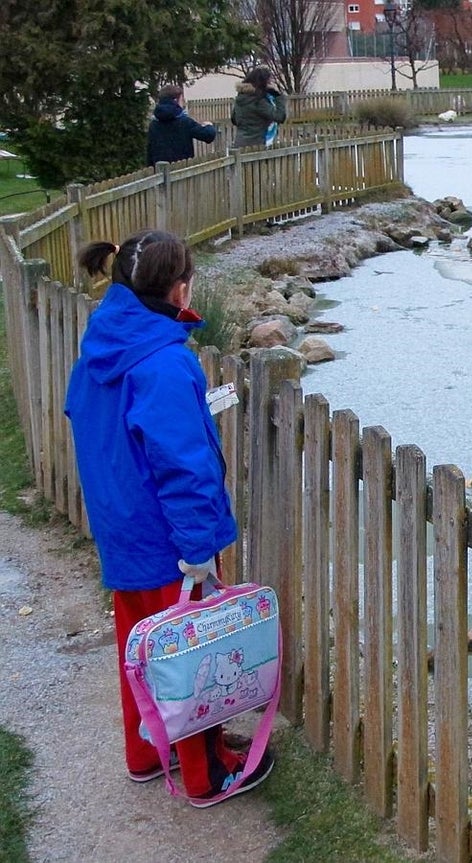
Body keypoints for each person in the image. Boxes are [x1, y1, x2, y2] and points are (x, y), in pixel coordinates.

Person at [64, 230, 274, 808]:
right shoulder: (163, 362)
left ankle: (145, 753)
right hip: (169, 542)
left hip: (123, 529)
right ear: (179, 286)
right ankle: (208, 771)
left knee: (142, 648)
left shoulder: (103, 344)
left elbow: (86, 418)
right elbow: (183, 468)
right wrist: (199, 546)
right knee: (192, 654)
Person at [146, 84, 217, 167]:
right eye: (182, 100)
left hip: (160, 172)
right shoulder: (185, 122)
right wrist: (209, 126)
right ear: (176, 100)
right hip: (182, 168)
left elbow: (149, 151)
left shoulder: (154, 124)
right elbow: (208, 135)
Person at [231, 66, 287, 148]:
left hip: (239, 144)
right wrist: (278, 97)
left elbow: (234, 119)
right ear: (263, 83)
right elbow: (279, 117)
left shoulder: (240, 97)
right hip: (257, 145)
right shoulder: (259, 101)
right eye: (269, 82)